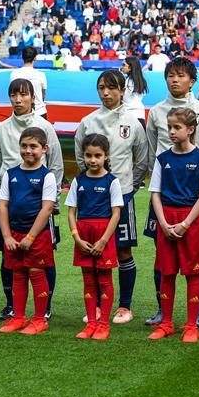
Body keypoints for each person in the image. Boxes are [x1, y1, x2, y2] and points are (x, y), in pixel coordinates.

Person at [143, 57, 199, 328]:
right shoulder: (157, 111)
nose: (175, 80)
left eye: (181, 75)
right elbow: (153, 151)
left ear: (192, 81)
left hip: (194, 197)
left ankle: (197, 312)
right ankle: (164, 311)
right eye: (170, 75)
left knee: (196, 254)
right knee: (162, 254)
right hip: (165, 195)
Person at [74, 70, 146, 324]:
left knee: (123, 251)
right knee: (92, 252)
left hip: (123, 196)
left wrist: (129, 187)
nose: (106, 93)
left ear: (122, 91)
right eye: (102, 88)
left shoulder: (132, 122)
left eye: (112, 88)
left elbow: (142, 159)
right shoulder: (88, 122)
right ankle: (94, 306)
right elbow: (80, 158)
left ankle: (124, 307)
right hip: (92, 201)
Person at [0, 79, 63, 321]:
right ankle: (12, 305)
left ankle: (46, 306)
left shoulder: (45, 127)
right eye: (13, 94)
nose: (18, 99)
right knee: (7, 253)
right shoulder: (1, 128)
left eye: (23, 95)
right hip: (9, 203)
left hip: (39, 203)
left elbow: (56, 165)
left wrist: (53, 201)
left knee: (44, 257)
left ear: (33, 98)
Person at [0, 127, 58, 335]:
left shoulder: (47, 176)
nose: (28, 150)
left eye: (33, 146)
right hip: (14, 234)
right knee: (18, 274)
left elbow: (47, 208)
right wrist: (6, 236)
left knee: (36, 273)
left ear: (44, 149)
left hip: (37, 236)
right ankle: (19, 318)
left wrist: (31, 236)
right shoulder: (10, 174)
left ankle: (40, 319)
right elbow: (2, 205)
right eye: (24, 146)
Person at [67, 134, 124, 340]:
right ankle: (90, 323)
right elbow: (71, 212)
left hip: (103, 235)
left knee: (105, 279)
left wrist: (103, 241)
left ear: (106, 155)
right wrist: (76, 238)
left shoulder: (112, 181)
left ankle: (103, 325)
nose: (92, 160)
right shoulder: (78, 180)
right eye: (88, 155)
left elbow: (116, 213)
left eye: (97, 155)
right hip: (83, 234)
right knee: (88, 280)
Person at [10, 46, 48, 119]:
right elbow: (43, 95)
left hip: (20, 112)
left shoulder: (14, 74)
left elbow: (13, 94)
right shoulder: (41, 75)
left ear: (22, 57)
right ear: (35, 58)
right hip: (39, 112)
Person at [121, 57, 148, 127]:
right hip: (140, 115)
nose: (121, 67)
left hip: (129, 116)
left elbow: (125, 99)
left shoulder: (129, 81)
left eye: (124, 65)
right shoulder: (140, 80)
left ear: (130, 67)